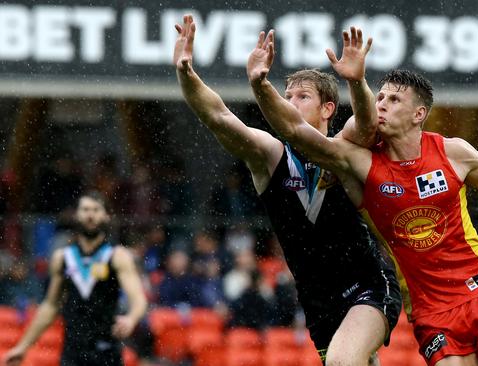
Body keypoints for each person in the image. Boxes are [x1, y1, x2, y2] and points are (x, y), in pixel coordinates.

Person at [247, 29, 478, 366]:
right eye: (379, 98)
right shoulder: (359, 164)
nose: (382, 105)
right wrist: (264, 84)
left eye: (394, 100)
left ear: (419, 113)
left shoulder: (453, 152)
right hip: (433, 312)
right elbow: (297, 133)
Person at [173, 15, 401, 365]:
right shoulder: (268, 156)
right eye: (287, 95)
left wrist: (356, 83)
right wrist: (186, 73)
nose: (291, 102)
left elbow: (368, 123)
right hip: (317, 301)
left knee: (343, 362)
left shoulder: (346, 148)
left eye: (302, 96)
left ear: (328, 108)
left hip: (367, 284)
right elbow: (217, 117)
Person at [3, 192, 148, 366]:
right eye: (85, 209)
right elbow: (50, 305)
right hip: (73, 352)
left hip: (107, 351)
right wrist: (22, 347)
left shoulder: (117, 256)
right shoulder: (62, 258)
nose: (90, 215)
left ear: (106, 216)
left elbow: (138, 298)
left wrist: (131, 318)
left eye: (96, 210)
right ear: (76, 215)